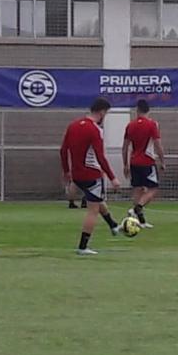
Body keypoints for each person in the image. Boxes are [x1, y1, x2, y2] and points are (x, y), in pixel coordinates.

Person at [60, 97, 121, 255]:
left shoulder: (73, 126)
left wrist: (67, 171)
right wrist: (112, 177)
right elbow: (101, 157)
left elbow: (63, 150)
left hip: (77, 174)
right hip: (92, 173)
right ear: (102, 112)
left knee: (97, 200)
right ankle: (83, 246)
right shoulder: (95, 129)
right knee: (93, 209)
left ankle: (113, 225)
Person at [122, 99, 166, 229]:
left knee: (138, 189)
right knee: (152, 188)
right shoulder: (152, 124)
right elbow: (158, 144)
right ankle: (137, 208)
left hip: (134, 161)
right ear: (149, 110)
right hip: (147, 161)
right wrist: (162, 161)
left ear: (137, 110)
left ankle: (139, 221)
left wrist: (125, 164)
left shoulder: (130, 125)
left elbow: (124, 147)